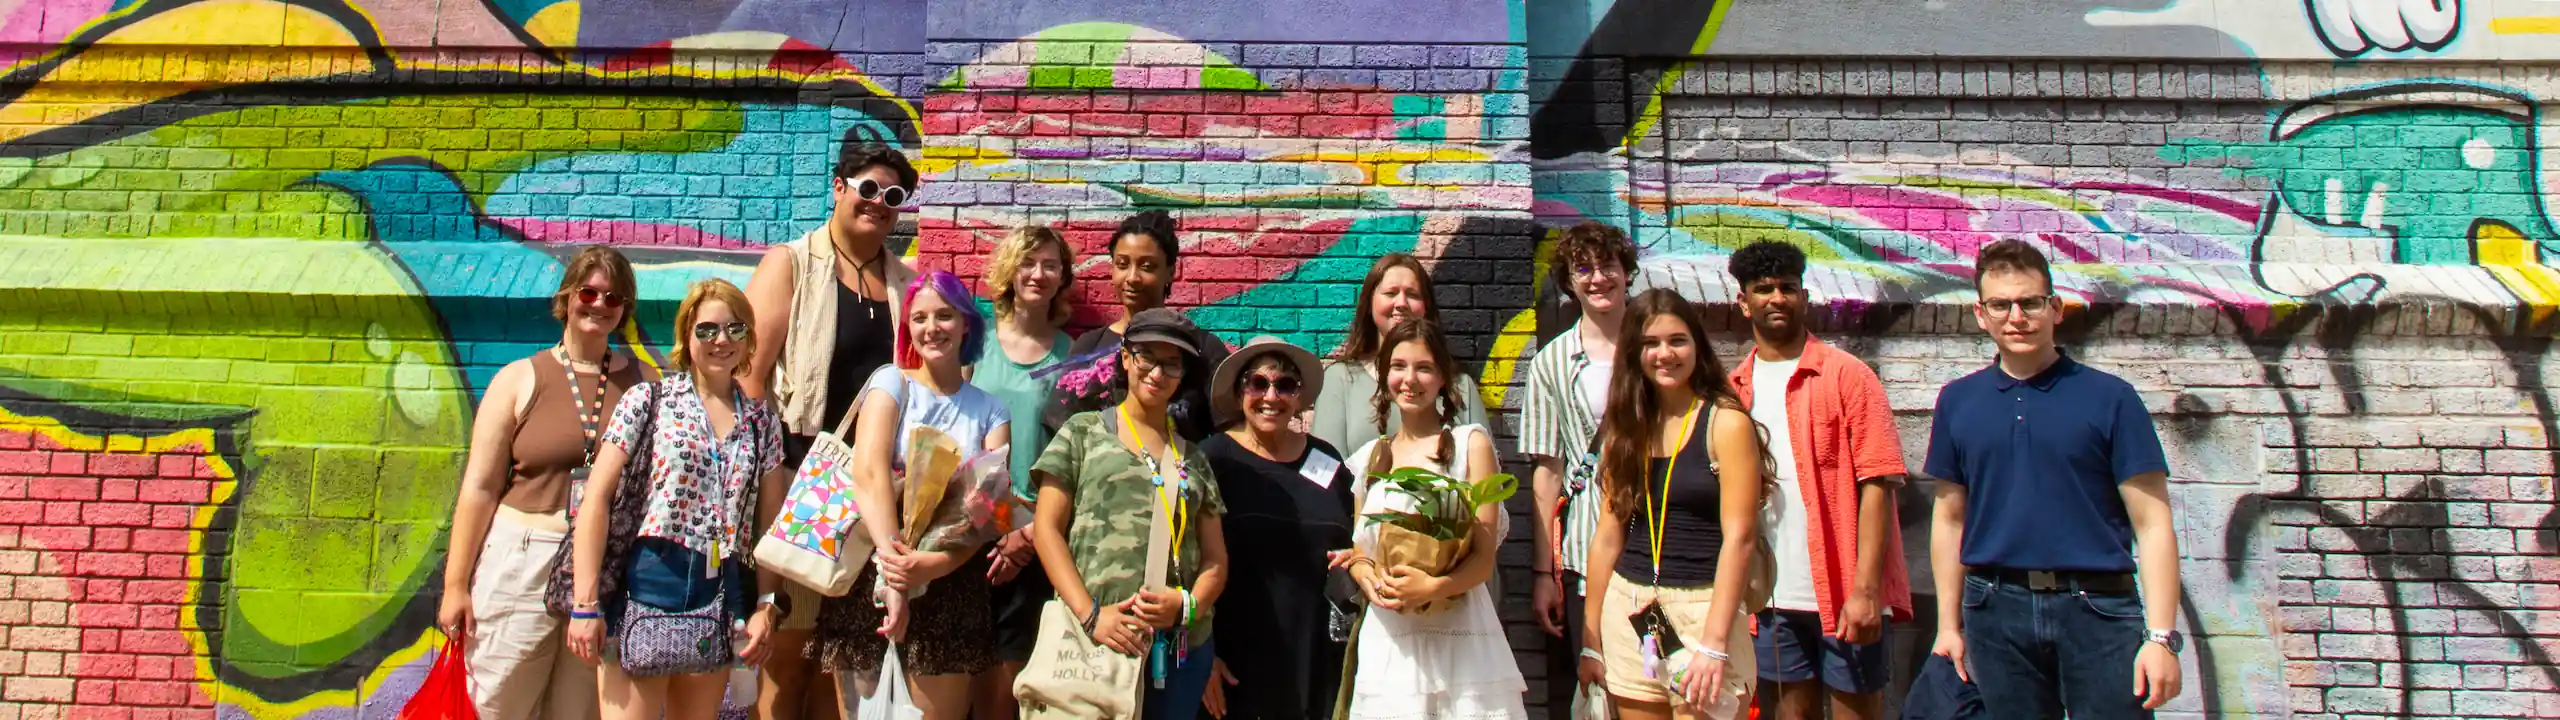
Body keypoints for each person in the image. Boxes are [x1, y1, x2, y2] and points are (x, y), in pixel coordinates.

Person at [1925, 239, 2183, 719]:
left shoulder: (2111, 399)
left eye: (2029, 302)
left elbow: (2152, 523)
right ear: (1981, 314)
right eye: (2000, 305)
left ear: (2055, 308)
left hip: (2098, 611)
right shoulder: (1958, 401)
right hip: (1995, 611)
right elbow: (1949, 518)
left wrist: (2162, 636)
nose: (2016, 317)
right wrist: (1948, 625)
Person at [744, 135, 921, 720]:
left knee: (842, 659)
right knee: (789, 652)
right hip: (801, 482)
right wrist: (763, 480)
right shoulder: (791, 263)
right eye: (867, 188)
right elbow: (751, 379)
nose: (878, 202)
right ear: (839, 188)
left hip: (873, 492)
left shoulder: (904, 281)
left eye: (892, 195)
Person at [439, 246, 653, 720]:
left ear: (625, 309)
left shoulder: (645, 384)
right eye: (589, 292)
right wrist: (456, 584)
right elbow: (479, 488)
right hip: (525, 553)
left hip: (603, 564)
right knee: (499, 701)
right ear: (567, 297)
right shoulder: (519, 379)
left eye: (613, 297)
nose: (599, 304)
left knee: (579, 710)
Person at [567, 279, 791, 720]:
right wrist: (584, 603)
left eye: (734, 329)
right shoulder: (648, 400)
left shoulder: (763, 423)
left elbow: (770, 523)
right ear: (687, 337)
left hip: (718, 590)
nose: (721, 340)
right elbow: (596, 500)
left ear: (748, 338)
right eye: (707, 329)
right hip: (645, 581)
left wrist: (768, 603)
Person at [1724, 241, 1913, 720]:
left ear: (1803, 296)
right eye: (1763, 289)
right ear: (1743, 302)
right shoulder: (1732, 392)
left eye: (1787, 287)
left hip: (1844, 588)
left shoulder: (1849, 377)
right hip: (1769, 597)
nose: (1777, 298)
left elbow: (1878, 484)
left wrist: (1867, 590)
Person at [811, 271, 1012, 719]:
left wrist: (933, 565)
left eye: (944, 315)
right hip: (872, 579)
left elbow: (988, 511)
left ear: (966, 324)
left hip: (951, 585)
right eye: (919, 318)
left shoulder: (991, 410)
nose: (931, 327)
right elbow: (869, 472)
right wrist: (897, 572)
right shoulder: (891, 383)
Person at [1031, 308, 1231, 720]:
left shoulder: (1194, 459)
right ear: (1125, 357)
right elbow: (1046, 530)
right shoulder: (1082, 432)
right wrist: (1091, 616)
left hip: (1181, 653)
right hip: (1094, 646)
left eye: (1171, 363)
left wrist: (1186, 606)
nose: (1157, 372)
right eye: (1146, 357)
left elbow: (1215, 559)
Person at [1577, 289, 1766, 720]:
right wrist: (1591, 641)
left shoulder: (1725, 421)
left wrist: (1715, 646)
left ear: (1697, 346)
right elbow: (1607, 537)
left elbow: (1740, 538)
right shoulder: (1627, 426)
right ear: (1633, 353)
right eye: (1650, 343)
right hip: (1632, 612)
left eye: (1677, 340)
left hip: (1705, 611)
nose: (1665, 353)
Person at [1340, 317, 1526, 719]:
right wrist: (1366, 579)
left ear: (1443, 377)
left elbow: (1482, 558)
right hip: (1390, 643)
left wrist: (1433, 587)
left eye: (1424, 368)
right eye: (1398, 366)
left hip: (1459, 639)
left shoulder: (1469, 445)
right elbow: (1360, 552)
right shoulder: (1370, 458)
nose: (1410, 379)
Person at [1518, 221, 1639, 716]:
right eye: (1582, 268)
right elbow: (1547, 472)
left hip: (1659, 550)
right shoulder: (1553, 361)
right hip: (1585, 555)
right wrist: (1544, 572)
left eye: (1607, 265)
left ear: (1626, 272)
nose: (1597, 278)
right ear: (1569, 280)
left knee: (1657, 669)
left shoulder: (1659, 346)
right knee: (1596, 682)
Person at [1199, 337, 1353, 720]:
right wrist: (1202, 656)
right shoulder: (1212, 459)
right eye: (1258, 383)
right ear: (1239, 392)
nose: (1271, 395)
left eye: (1285, 385)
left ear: (1298, 397)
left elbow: (1355, 535)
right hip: (1236, 664)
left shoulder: (1326, 459)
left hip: (1317, 657)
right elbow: (1184, 562)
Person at [967, 226, 1077, 718]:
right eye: (1027, 262)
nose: (1038, 274)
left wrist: (1027, 534)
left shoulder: (1074, 354)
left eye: (1050, 265)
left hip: (1038, 536)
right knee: (961, 672)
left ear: (1062, 278)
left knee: (1009, 683)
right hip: (970, 531)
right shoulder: (975, 344)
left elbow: (1075, 456)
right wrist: (997, 521)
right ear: (1007, 272)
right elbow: (953, 438)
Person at [1045, 210, 1231, 442]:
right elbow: (1061, 433)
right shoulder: (1089, 346)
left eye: (1147, 266)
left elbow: (1234, 433)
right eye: (1122, 264)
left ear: (1171, 271)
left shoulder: (1202, 349)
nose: (1132, 277)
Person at [1311, 253, 1489, 455]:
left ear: (1426, 306)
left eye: (1412, 294)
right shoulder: (1340, 380)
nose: (1401, 303)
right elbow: (1326, 474)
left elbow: (1486, 474)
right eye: (1390, 293)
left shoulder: (1460, 385)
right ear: (1370, 303)